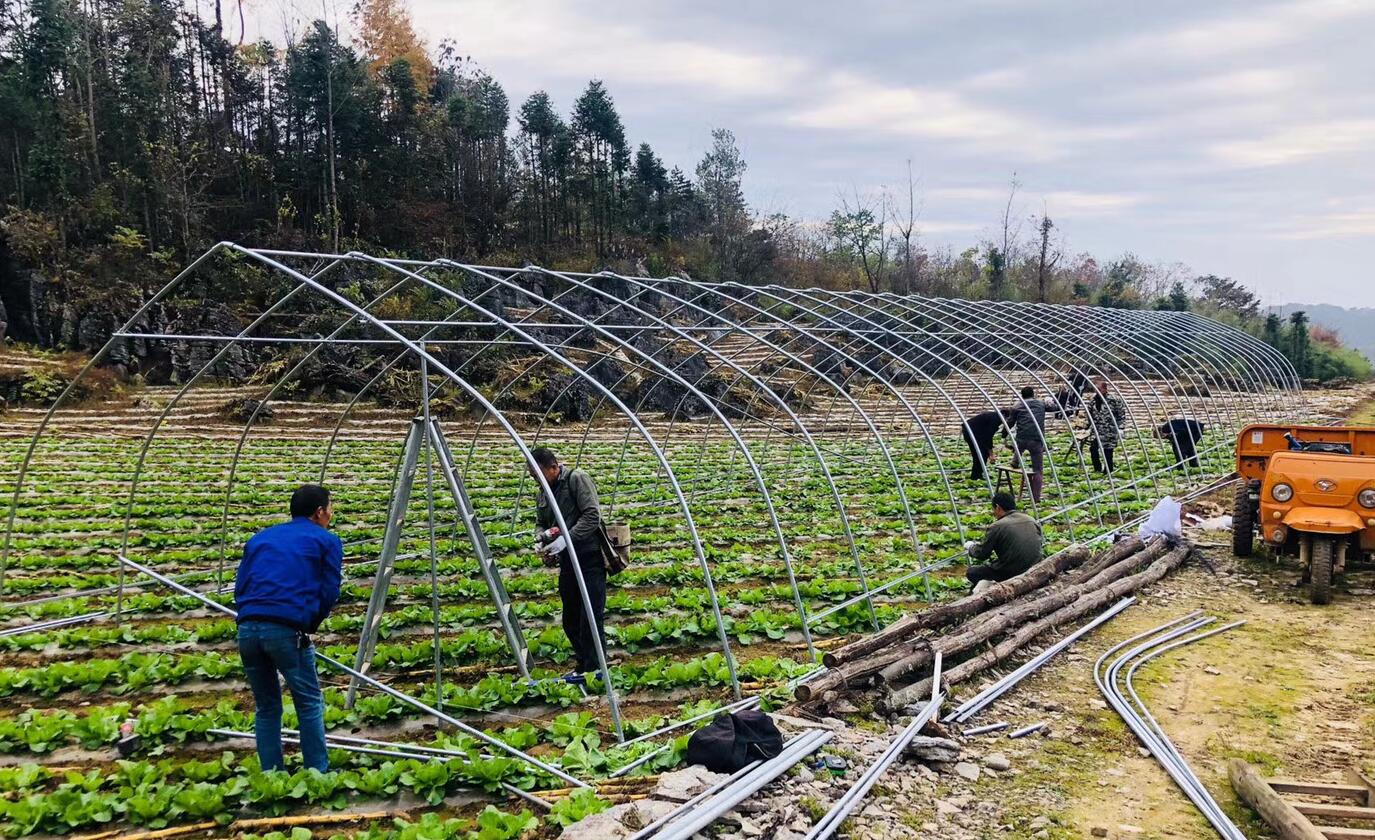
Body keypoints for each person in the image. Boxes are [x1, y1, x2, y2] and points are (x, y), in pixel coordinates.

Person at [235, 485, 343, 772]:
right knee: (309, 703)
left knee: (267, 706)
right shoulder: (326, 540)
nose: (331, 514)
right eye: (330, 508)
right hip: (286, 631)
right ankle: (317, 772)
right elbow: (329, 590)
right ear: (319, 512)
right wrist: (309, 624)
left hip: (247, 629)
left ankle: (271, 774)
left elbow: (241, 584)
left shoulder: (260, 538)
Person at [531, 447, 609, 678]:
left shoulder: (577, 479)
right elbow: (540, 521)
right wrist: (541, 539)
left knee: (590, 618)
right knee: (570, 619)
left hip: (589, 556)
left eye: (538, 474)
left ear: (554, 467)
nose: (536, 480)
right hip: (568, 562)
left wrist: (567, 539)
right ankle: (584, 663)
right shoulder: (543, 493)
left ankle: (596, 671)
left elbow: (592, 516)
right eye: (533, 477)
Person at [963, 492, 1044, 593]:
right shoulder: (1031, 520)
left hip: (1012, 572)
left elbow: (982, 554)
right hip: (1036, 567)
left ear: (997, 507)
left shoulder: (997, 526)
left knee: (972, 572)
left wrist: (971, 547)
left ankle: (997, 587)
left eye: (993, 509)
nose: (993, 513)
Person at [1009, 386, 1048, 503]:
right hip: (1037, 439)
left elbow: (1010, 421)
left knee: (1019, 444)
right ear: (1033, 394)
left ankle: (1015, 460)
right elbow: (1055, 407)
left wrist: (1004, 432)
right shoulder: (1041, 404)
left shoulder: (1017, 406)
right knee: (1038, 470)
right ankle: (1035, 498)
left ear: (1022, 395)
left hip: (1021, 438)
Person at [1087, 380, 1128, 474]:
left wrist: (1121, 428)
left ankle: (1108, 471)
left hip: (1109, 430)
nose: (1097, 391)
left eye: (1099, 389)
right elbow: (1089, 415)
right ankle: (1097, 469)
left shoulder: (1114, 400)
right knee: (1093, 449)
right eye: (1096, 389)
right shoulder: (1093, 401)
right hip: (1097, 431)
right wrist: (1086, 427)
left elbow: (1121, 414)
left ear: (1105, 389)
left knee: (1108, 451)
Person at [961, 408, 1013, 481]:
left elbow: (987, 436)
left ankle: (978, 475)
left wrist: (990, 452)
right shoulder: (996, 419)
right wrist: (991, 453)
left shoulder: (995, 416)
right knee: (980, 454)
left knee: (981, 454)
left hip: (973, 432)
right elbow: (988, 436)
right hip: (971, 432)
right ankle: (975, 476)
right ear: (1004, 416)